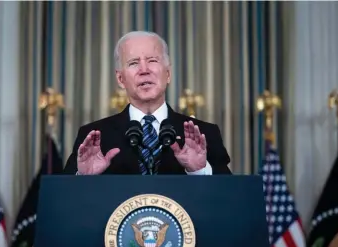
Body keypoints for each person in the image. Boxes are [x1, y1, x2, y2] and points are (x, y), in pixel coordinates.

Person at [63, 31, 231, 175]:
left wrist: (199, 170)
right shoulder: (94, 138)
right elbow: (63, 201)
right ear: (120, 79)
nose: (144, 70)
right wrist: (84, 179)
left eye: (152, 60)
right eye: (133, 63)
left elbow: (231, 198)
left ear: (168, 73)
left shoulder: (204, 134)